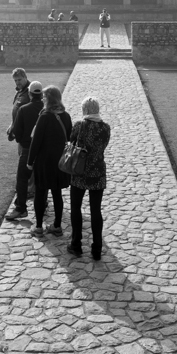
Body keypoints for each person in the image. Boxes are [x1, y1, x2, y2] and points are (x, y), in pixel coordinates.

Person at [67, 96, 111, 261]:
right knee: (95, 210)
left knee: (76, 207)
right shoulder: (105, 128)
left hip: (80, 170)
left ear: (85, 110)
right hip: (97, 172)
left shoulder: (80, 125)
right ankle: (97, 248)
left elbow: (71, 140)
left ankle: (76, 244)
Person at [26, 85, 72, 238]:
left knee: (40, 193)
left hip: (44, 162)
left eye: (44, 97)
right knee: (57, 193)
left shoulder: (44, 117)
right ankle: (57, 226)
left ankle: (39, 227)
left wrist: (30, 161)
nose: (42, 99)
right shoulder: (66, 116)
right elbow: (69, 138)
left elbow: (36, 142)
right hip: (59, 161)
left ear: (49, 99)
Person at [5, 81, 43, 220]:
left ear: (30, 94)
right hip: (42, 150)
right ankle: (42, 203)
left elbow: (17, 132)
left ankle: (21, 208)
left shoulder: (24, 109)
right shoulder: (46, 109)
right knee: (40, 180)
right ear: (41, 94)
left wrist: (21, 140)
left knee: (22, 179)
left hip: (27, 148)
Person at [5, 68, 31, 220]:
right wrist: (12, 124)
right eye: (15, 80)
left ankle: (22, 205)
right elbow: (16, 111)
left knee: (24, 172)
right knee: (27, 169)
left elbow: (29, 116)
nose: (17, 83)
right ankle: (31, 192)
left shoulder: (30, 93)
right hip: (21, 137)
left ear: (25, 77)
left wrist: (17, 129)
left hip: (27, 139)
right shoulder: (20, 92)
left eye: (19, 80)